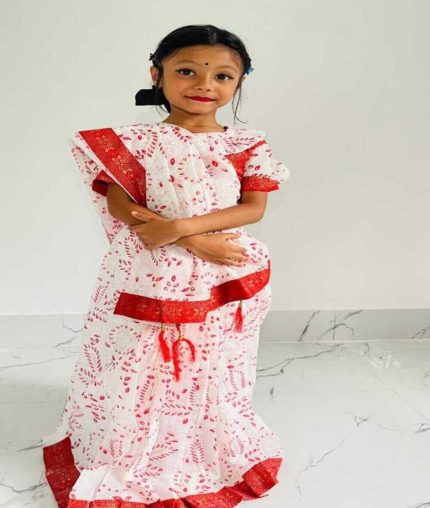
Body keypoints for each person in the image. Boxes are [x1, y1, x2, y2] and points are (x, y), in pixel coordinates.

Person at [42, 23, 290, 507]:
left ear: (239, 82)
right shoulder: (134, 142)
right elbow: (120, 202)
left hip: (222, 271)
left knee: (209, 360)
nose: (205, 84)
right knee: (140, 357)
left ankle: (193, 440)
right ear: (156, 74)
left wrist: (182, 231)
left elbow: (252, 208)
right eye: (187, 71)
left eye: (223, 76)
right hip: (150, 270)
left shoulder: (248, 145)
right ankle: (133, 445)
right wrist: (187, 238)